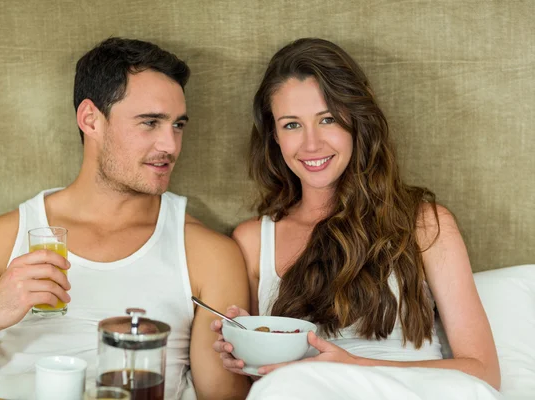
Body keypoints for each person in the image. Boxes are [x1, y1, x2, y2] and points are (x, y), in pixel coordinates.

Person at [0, 37, 250, 400]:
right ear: (90, 119)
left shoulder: (207, 253)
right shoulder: (5, 237)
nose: (170, 145)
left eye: (178, 125)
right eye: (150, 122)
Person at [211, 37, 500, 396]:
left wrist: (352, 365)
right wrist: (249, 355)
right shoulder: (253, 240)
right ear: (274, 136)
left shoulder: (423, 224)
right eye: (291, 125)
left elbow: (483, 372)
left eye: (327, 119)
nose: (311, 144)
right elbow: (274, 379)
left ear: (357, 121)